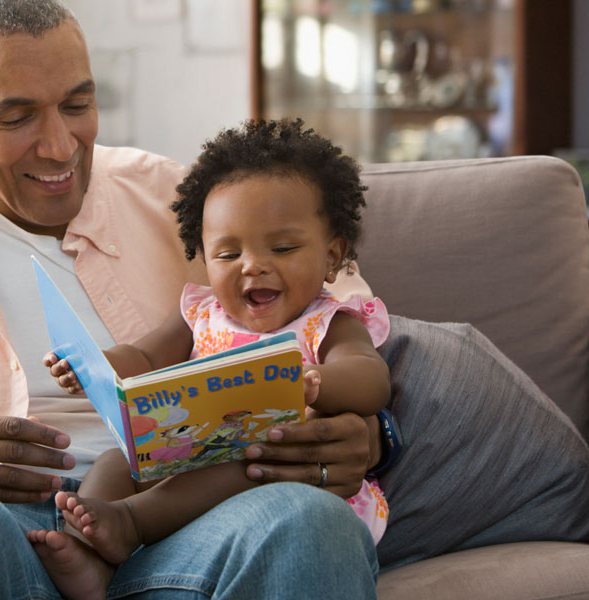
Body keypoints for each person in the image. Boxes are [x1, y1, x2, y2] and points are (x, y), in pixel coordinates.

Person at [0, 1, 386, 598]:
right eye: (16, 117)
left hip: (186, 523)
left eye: (78, 105)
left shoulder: (189, 199)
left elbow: (336, 319)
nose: (59, 146)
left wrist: (371, 432)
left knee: (314, 527)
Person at [29, 119, 391, 598]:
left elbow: (372, 378)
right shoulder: (202, 312)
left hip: (267, 476)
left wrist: (318, 382)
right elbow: (141, 356)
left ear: (331, 255)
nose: (253, 265)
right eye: (227, 254)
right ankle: (89, 551)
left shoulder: (327, 322)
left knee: (242, 459)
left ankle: (131, 525)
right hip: (185, 461)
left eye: (282, 248)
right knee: (121, 461)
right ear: (203, 256)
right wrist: (92, 366)